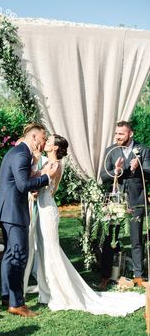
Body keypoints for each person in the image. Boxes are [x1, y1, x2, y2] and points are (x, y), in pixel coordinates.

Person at [25, 133, 145, 316]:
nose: (45, 143)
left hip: (47, 209)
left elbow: (39, 184)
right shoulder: (46, 164)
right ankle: (46, 290)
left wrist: (34, 182)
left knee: (51, 250)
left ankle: (60, 292)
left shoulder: (54, 165)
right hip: (42, 207)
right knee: (42, 250)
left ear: (55, 148)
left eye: (48, 141)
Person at [0, 123, 59, 317]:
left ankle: (7, 296)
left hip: (8, 211)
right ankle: (17, 303)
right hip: (13, 212)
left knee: (9, 255)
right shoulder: (22, 154)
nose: (44, 142)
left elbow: (19, 181)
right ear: (33, 138)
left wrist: (38, 174)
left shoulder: (17, 152)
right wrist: (47, 177)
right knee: (18, 256)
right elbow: (23, 186)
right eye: (43, 138)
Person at [99, 121, 150, 290]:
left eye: (121, 134)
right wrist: (117, 170)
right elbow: (103, 176)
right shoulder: (110, 152)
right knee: (110, 240)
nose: (117, 137)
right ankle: (106, 276)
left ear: (131, 134)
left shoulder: (143, 150)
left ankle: (138, 275)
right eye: (116, 134)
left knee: (136, 240)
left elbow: (149, 172)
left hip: (136, 201)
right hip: (116, 202)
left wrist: (140, 166)